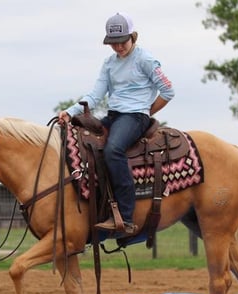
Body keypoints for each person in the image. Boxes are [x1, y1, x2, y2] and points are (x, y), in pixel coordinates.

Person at [58, 12, 175, 237]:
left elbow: (168, 90)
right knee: (84, 142)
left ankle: (126, 216)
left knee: (113, 150)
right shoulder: (109, 63)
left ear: (133, 37)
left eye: (122, 41)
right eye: (113, 43)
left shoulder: (146, 60)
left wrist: (146, 111)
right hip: (115, 115)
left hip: (135, 116)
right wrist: (70, 112)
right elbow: (95, 95)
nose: (118, 47)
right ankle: (98, 205)